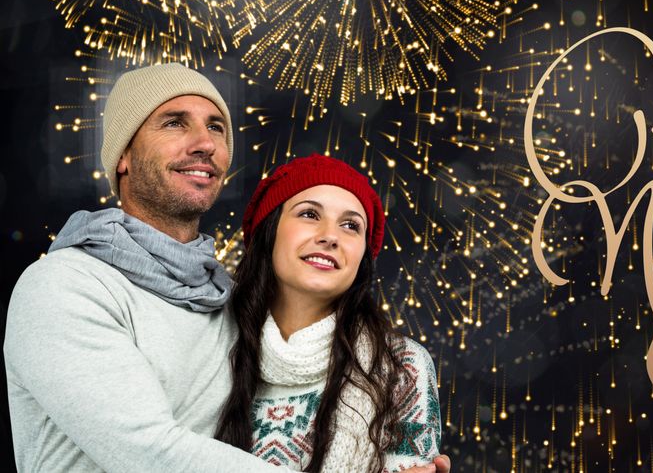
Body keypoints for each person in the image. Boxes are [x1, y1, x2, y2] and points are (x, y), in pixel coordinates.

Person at [4, 63, 449, 473]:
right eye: (175, 122)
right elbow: (144, 448)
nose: (206, 143)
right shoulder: (65, 285)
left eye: (216, 127)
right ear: (123, 155)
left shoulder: (223, 307)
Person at [215, 154, 443, 473]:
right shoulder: (210, 346)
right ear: (269, 231)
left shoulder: (401, 368)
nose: (330, 236)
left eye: (351, 225)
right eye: (309, 214)